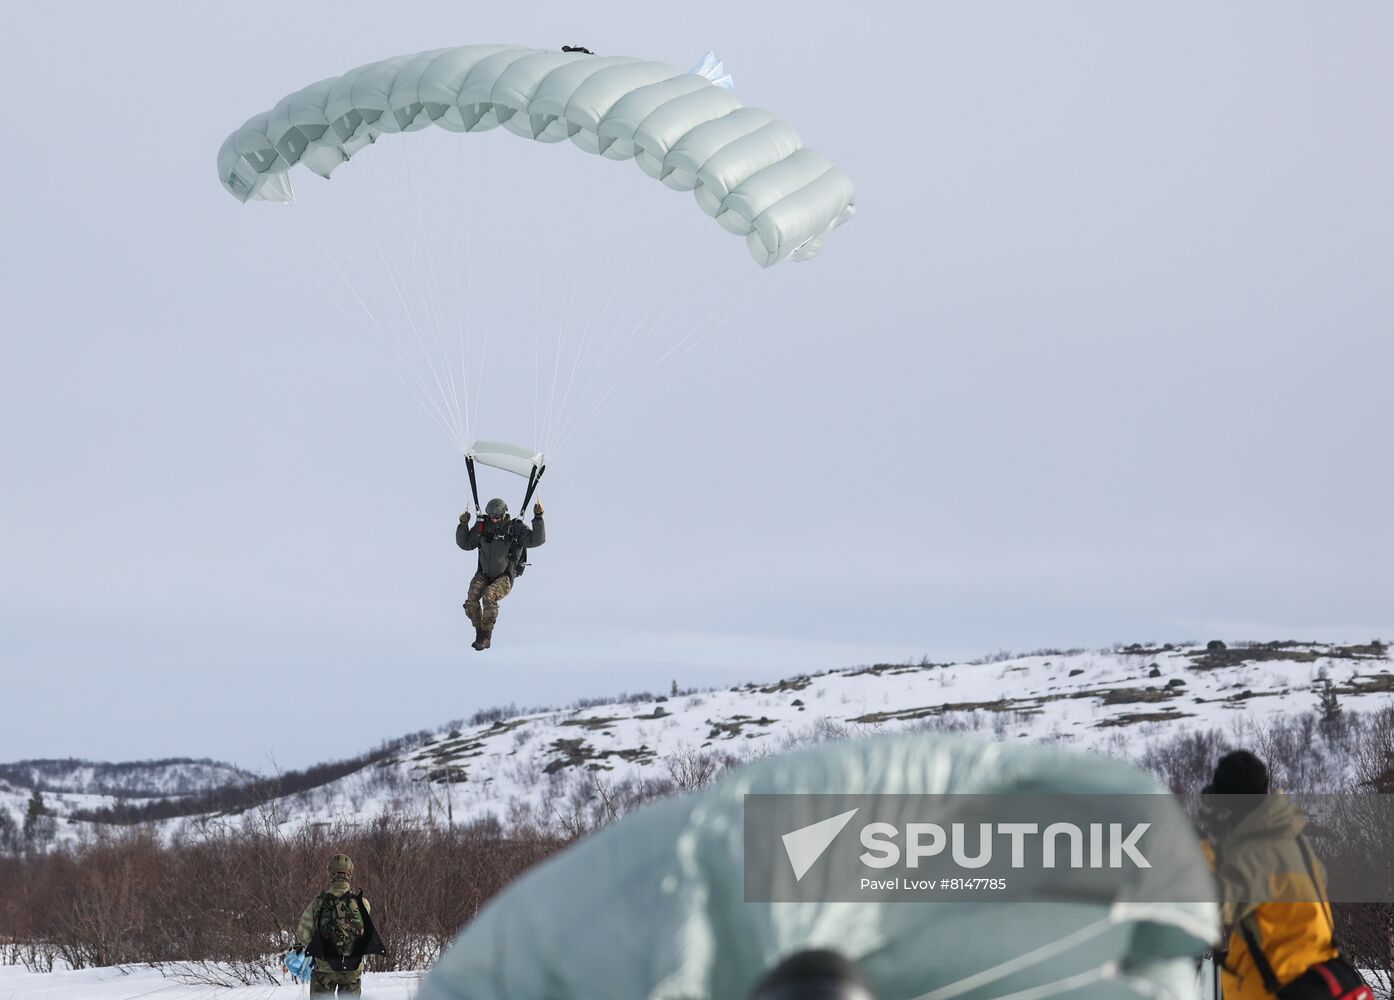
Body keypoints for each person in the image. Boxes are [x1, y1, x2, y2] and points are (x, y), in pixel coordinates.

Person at [1204, 750, 1370, 1000]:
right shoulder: (1292, 840)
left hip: (1280, 989)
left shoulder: (1258, 851)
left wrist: (1202, 849)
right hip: (1314, 981)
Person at [457, 498, 545, 650]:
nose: (494, 520)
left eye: (497, 517)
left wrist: (538, 518)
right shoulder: (483, 526)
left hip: (504, 576)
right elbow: (465, 544)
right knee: (471, 602)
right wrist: (463, 524)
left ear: (504, 514)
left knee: (488, 595)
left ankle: (486, 636)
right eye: (492, 517)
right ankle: (480, 633)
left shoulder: (514, 528)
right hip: (484, 574)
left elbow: (537, 540)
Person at [293, 853, 386, 996]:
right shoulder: (363, 903)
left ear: (331, 873)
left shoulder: (318, 903)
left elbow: (302, 934)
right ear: (350, 873)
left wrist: (318, 951)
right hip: (353, 969)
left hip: (324, 969)